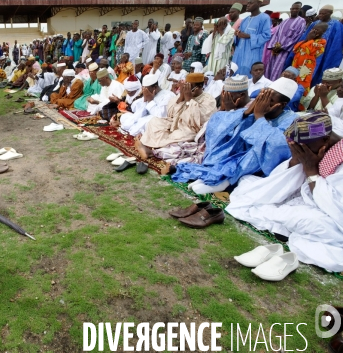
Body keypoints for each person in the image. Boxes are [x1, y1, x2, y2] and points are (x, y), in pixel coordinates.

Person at [226, 112, 343, 272]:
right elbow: (286, 179)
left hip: (332, 215)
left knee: (306, 221)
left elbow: (336, 206)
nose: (300, 148)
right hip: (308, 195)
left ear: (324, 140)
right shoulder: (317, 140)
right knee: (248, 184)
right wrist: (297, 160)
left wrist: (310, 169)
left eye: (302, 146)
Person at [173, 77, 298, 194]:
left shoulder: (292, 120)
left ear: (282, 104)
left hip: (263, 163)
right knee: (228, 138)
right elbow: (218, 126)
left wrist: (259, 117)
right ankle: (212, 175)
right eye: (262, 98)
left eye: (269, 101)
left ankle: (224, 182)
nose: (263, 104)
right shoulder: (256, 108)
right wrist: (244, 114)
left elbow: (277, 146)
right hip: (239, 154)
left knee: (258, 149)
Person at [136, 73, 217, 158]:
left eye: (189, 87)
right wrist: (181, 97)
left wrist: (189, 99)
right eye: (185, 86)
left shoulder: (208, 100)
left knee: (178, 136)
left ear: (198, 88)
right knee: (154, 122)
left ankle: (153, 151)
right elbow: (170, 113)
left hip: (190, 130)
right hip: (174, 124)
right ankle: (157, 145)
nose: (186, 89)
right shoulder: (185, 93)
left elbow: (198, 122)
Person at [289, 5, 343, 85]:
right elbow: (303, 39)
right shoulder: (315, 24)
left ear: (330, 13)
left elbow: (336, 43)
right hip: (305, 56)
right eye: (320, 13)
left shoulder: (337, 25)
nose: (320, 15)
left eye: (323, 14)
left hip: (324, 54)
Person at [118, 72, 175, 137]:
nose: (144, 91)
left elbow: (160, 115)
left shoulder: (167, 96)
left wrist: (150, 100)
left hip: (158, 121)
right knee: (125, 117)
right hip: (145, 117)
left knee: (141, 125)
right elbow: (135, 109)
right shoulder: (149, 93)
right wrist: (145, 100)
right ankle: (131, 129)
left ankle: (132, 130)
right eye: (143, 88)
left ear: (155, 87)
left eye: (146, 88)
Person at [263, 2, 306, 81]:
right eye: (292, 9)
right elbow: (276, 34)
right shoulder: (285, 21)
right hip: (275, 49)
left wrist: (282, 47)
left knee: (279, 70)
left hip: (285, 51)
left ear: (299, 10)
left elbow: (296, 37)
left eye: (296, 9)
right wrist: (274, 46)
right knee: (270, 68)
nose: (294, 10)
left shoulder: (301, 21)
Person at [232, 0, 272, 77]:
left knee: (250, 73)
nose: (248, 5)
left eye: (251, 3)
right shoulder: (245, 19)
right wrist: (237, 34)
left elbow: (266, 36)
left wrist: (249, 36)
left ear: (258, 4)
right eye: (248, 3)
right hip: (239, 52)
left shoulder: (264, 18)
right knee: (237, 72)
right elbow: (240, 36)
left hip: (253, 52)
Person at [291, 22, 328, 94]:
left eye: (317, 30)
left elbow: (308, 50)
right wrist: (307, 39)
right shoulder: (307, 40)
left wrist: (310, 39)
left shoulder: (321, 42)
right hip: (296, 64)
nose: (314, 31)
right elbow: (295, 49)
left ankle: (301, 102)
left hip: (306, 67)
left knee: (303, 83)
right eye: (313, 29)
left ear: (323, 32)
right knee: (293, 80)